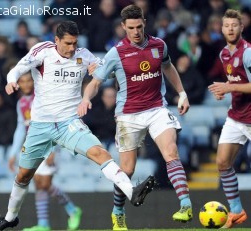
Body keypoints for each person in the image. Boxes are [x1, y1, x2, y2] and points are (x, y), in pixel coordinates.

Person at [0, 20, 154, 231]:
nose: (72, 48)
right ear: (56, 40)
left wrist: (99, 70)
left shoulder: (84, 54)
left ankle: (132, 193)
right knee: (23, 175)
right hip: (40, 125)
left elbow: (109, 74)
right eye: (68, 43)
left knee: (99, 153)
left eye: (75, 43)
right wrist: (11, 81)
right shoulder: (43, 51)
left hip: (69, 123)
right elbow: (17, 69)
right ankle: (11, 217)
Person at [78, 5, 193, 230]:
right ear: (123, 27)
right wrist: (85, 99)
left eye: (139, 26)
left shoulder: (159, 45)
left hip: (157, 109)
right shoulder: (116, 52)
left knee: (171, 152)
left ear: (144, 23)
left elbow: (168, 68)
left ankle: (185, 204)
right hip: (128, 115)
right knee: (127, 170)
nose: (136, 32)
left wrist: (182, 93)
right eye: (131, 28)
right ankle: (118, 213)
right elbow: (96, 82)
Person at [8, 72, 82, 231]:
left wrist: (53, 150)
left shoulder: (43, 98)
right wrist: (12, 153)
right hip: (33, 145)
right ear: (18, 84)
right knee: (38, 184)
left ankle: (72, 209)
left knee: (45, 183)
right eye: (23, 81)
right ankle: (43, 224)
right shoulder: (21, 102)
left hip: (49, 144)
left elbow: (53, 123)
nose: (27, 84)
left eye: (29, 80)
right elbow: (21, 128)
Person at [208, 9, 250, 228]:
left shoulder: (248, 52)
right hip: (236, 116)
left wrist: (229, 86)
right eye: (227, 25)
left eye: (235, 25)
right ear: (221, 28)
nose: (230, 29)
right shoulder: (223, 53)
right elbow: (236, 82)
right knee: (223, 163)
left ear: (241, 28)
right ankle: (236, 212)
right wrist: (224, 90)